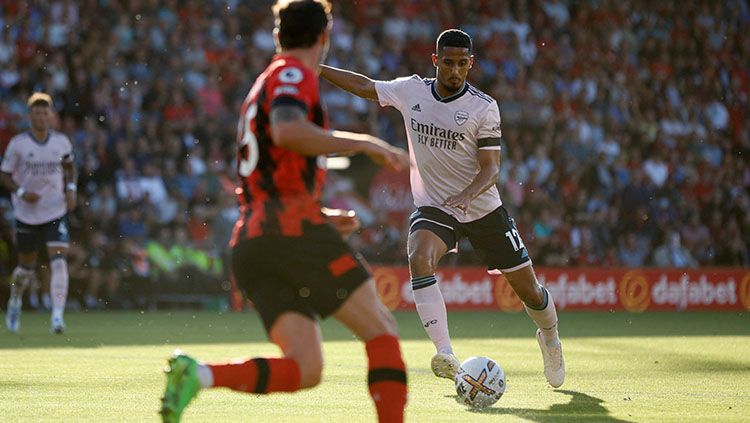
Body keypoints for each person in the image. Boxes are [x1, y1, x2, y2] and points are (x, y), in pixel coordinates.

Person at [160, 1, 410, 422]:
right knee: (381, 331)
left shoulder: (262, 85)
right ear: (324, 38)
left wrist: (322, 216)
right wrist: (365, 142)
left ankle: (198, 375)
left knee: (307, 368)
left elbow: (268, 175)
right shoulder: (293, 74)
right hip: (290, 230)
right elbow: (289, 131)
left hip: (254, 242)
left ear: (278, 35)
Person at [320, 29, 565, 387]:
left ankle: (550, 336)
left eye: (461, 64)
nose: (454, 71)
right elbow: (365, 86)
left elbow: (491, 168)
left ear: (471, 64)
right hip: (436, 205)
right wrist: (317, 68)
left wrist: (466, 195)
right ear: (435, 61)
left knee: (529, 290)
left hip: (481, 208)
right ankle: (446, 353)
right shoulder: (411, 90)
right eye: (447, 63)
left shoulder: (484, 107)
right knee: (419, 256)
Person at [2, 92, 77, 334]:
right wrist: (22, 192)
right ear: (30, 116)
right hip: (27, 212)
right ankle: (15, 300)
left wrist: (71, 189)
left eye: (45, 112)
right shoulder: (19, 144)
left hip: (55, 209)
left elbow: (69, 166)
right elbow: (4, 175)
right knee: (26, 267)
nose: (42, 116)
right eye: (37, 112)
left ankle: (57, 317)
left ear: (51, 115)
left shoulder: (61, 142)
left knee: (58, 259)